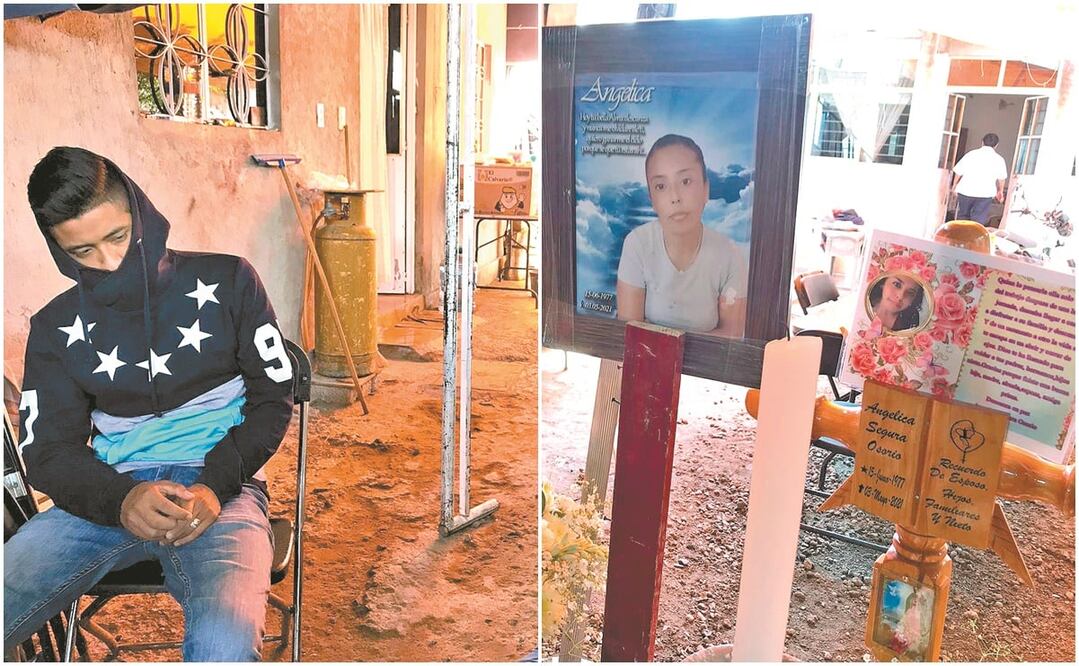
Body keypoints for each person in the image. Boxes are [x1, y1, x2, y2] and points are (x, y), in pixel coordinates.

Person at [4, 147, 294, 661]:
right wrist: (120, 499)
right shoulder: (54, 328)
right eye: (83, 252)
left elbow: (274, 399)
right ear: (58, 250)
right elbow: (47, 451)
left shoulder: (229, 281)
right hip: (104, 494)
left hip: (222, 493)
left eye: (117, 237)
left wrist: (214, 483)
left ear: (139, 212)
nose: (110, 263)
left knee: (224, 646)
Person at [615, 134, 747, 336]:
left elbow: (732, 335)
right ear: (652, 199)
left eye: (685, 181)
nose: (675, 197)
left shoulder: (729, 255)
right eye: (661, 186)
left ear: (705, 189)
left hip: (709, 367)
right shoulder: (638, 244)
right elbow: (630, 333)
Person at [951, 133, 1008, 226]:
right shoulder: (999, 159)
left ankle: (960, 238)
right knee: (978, 220)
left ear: (982, 142)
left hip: (965, 191)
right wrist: (1000, 191)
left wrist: (954, 185)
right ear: (996, 145)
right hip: (985, 194)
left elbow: (958, 172)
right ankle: (972, 239)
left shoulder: (970, 154)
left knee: (962, 217)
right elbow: (1001, 179)